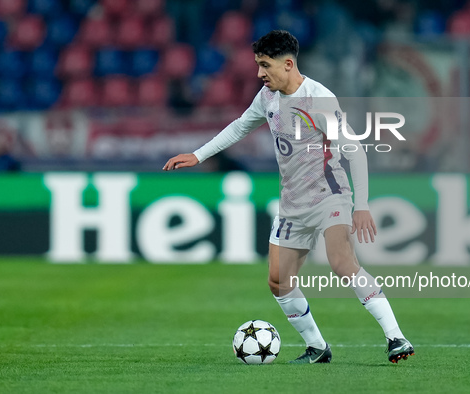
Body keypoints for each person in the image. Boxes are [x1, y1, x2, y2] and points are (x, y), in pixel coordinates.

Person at [164, 30, 413, 364]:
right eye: (257, 65)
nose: (258, 74)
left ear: (288, 64)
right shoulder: (267, 97)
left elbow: (354, 152)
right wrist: (198, 155)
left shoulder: (319, 100)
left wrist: (362, 205)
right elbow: (240, 127)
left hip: (330, 195)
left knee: (342, 263)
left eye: (265, 65)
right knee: (278, 280)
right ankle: (317, 347)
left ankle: (396, 337)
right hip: (292, 204)